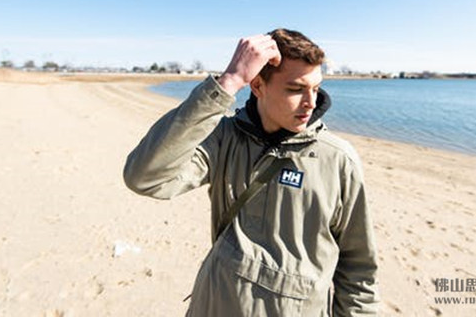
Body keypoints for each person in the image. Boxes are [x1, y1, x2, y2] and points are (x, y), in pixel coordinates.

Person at [124, 28, 379, 316]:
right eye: (296, 89)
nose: (311, 102)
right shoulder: (224, 139)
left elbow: (359, 272)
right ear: (257, 86)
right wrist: (229, 81)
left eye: (316, 87)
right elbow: (144, 178)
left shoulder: (338, 159)